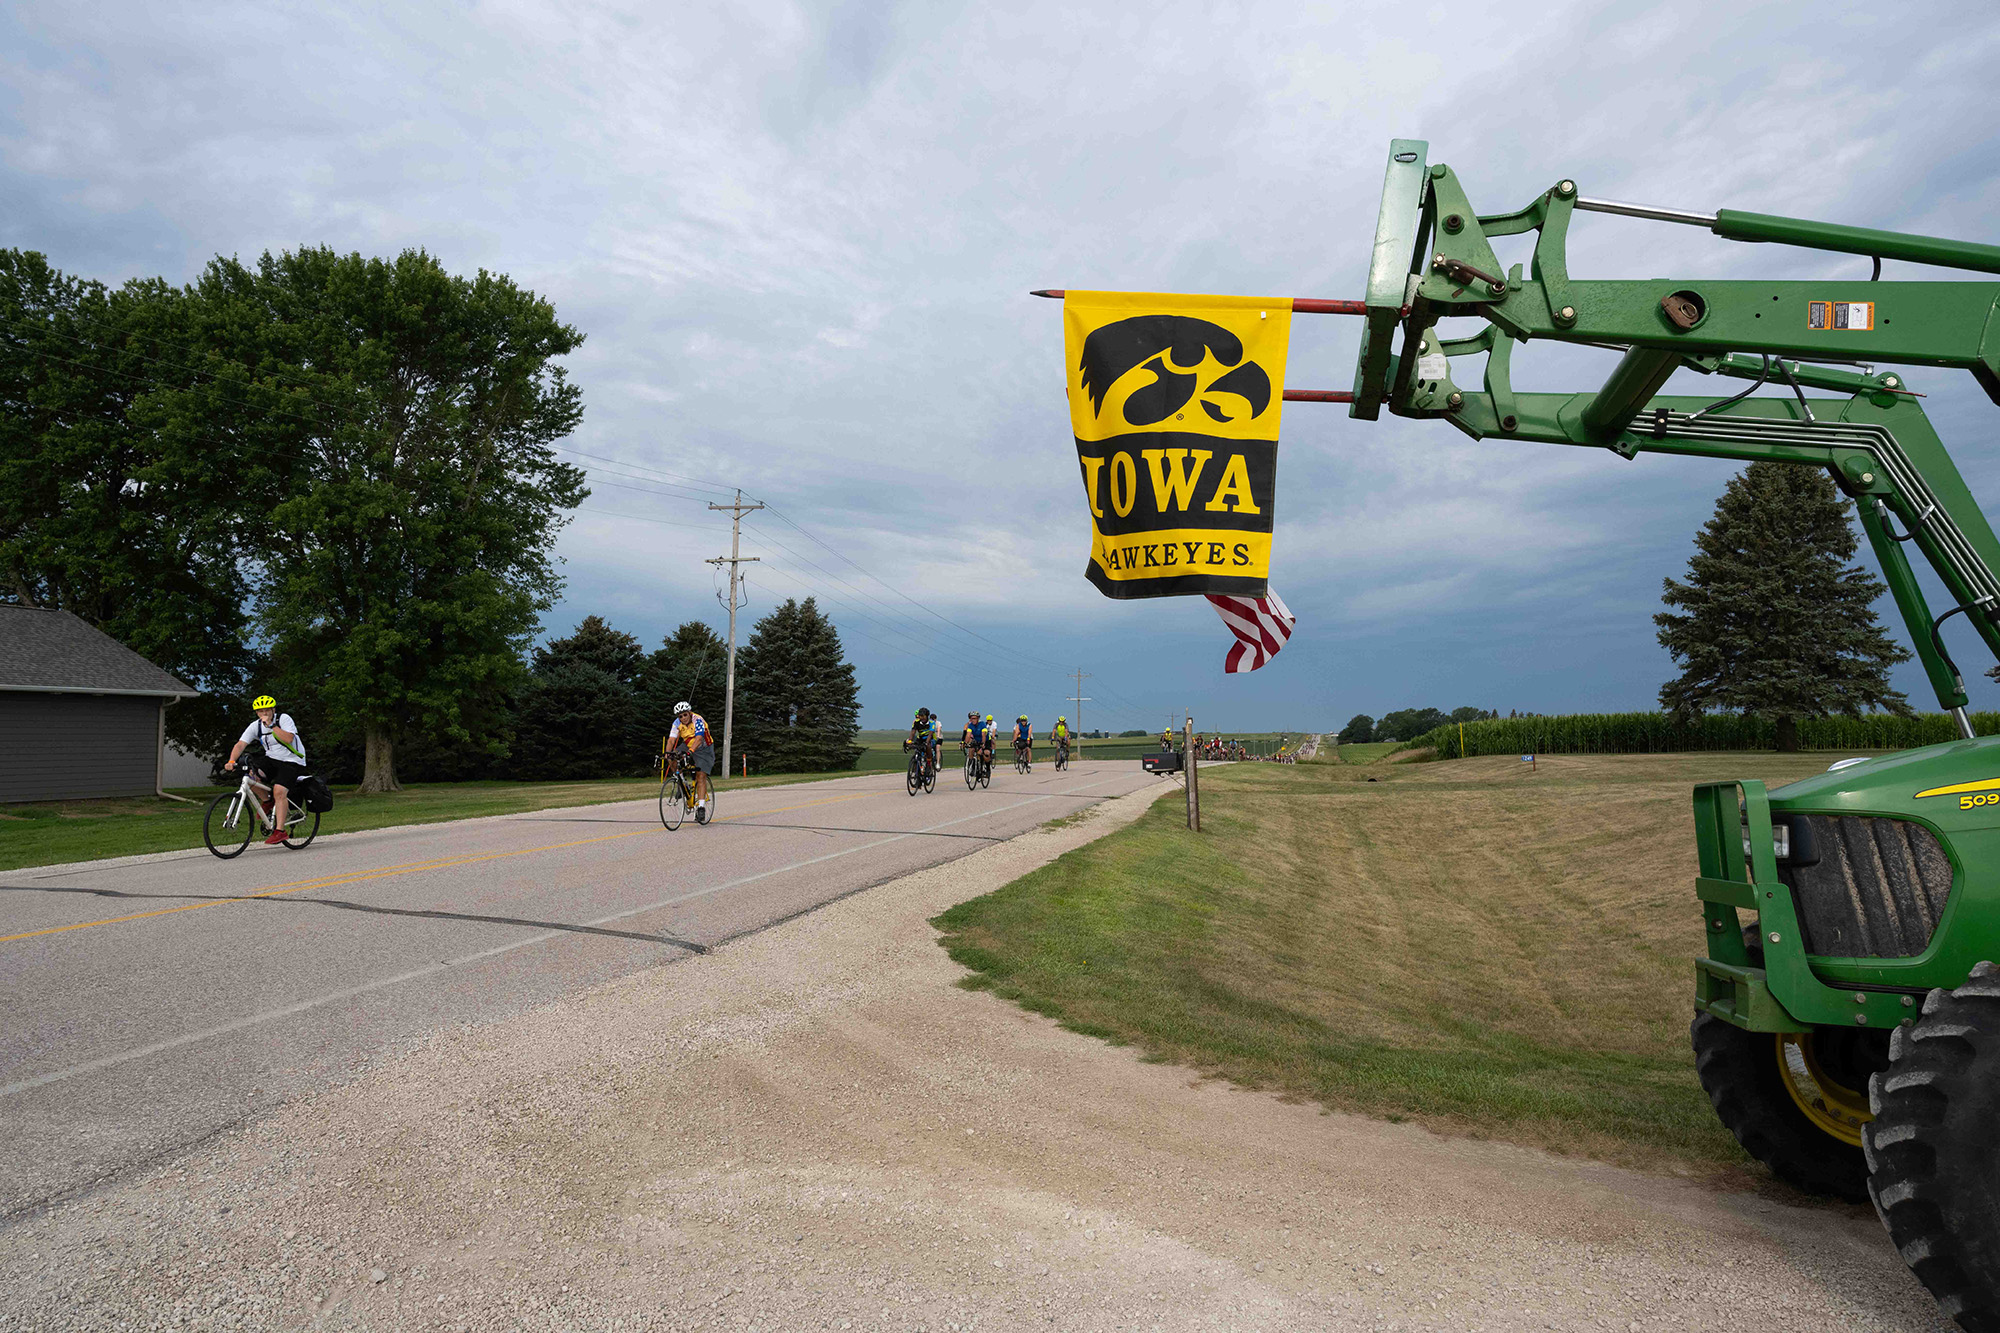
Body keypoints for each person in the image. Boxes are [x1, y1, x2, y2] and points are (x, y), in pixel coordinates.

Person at [224, 694, 308, 846]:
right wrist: (231, 760)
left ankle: (280, 831)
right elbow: (240, 744)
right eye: (260, 711)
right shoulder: (255, 726)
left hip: (292, 760)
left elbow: (289, 738)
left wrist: (271, 725)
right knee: (249, 778)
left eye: (267, 710)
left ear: (273, 710)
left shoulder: (283, 719)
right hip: (271, 759)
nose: (264, 714)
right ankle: (268, 801)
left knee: (279, 791)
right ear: (256, 713)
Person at [665, 701, 715, 823]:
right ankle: (681, 782)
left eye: (685, 715)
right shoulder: (677, 723)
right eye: (680, 716)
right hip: (687, 743)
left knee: (700, 775)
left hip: (703, 747)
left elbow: (698, 739)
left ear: (689, 713)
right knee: (672, 757)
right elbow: (671, 740)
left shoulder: (698, 720)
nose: (683, 718)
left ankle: (701, 807)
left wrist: (690, 751)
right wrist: (667, 753)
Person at [908, 708, 939, 779]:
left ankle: (929, 762)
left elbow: (930, 734)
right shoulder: (916, 722)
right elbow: (913, 732)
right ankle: (915, 770)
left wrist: (926, 742)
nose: (921, 718)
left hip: (930, 739)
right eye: (920, 716)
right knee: (916, 751)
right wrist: (910, 741)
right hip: (921, 738)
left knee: (927, 746)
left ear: (927, 716)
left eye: (923, 716)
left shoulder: (931, 723)